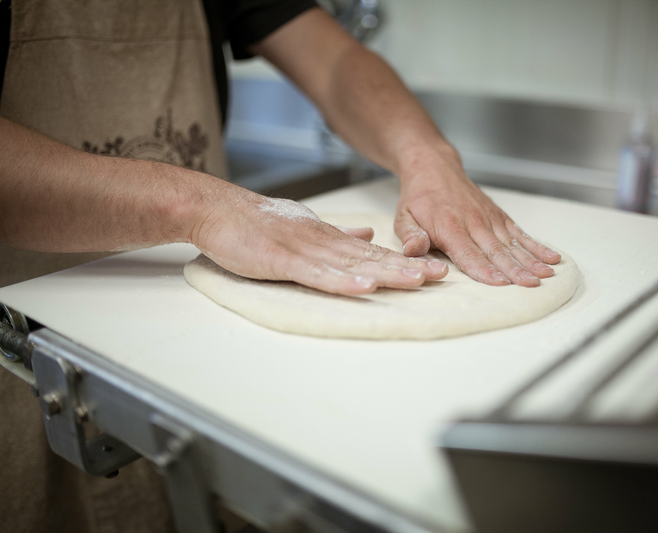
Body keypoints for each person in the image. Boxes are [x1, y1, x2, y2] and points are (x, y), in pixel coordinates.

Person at [0, 1, 561, 531]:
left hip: (193, 345)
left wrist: (428, 158)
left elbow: (335, 60)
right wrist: (201, 209)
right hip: (21, 345)